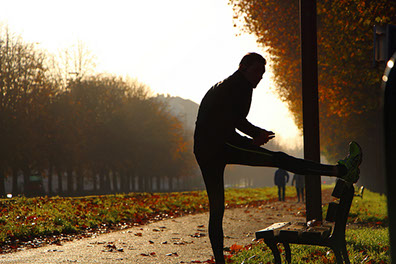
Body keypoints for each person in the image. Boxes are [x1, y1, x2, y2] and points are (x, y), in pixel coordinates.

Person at [193, 52, 362, 264]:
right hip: (221, 146)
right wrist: (255, 134)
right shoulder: (239, 86)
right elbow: (234, 119)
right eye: (256, 71)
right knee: (279, 159)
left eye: (262, 74)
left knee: (217, 208)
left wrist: (252, 137)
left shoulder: (228, 84)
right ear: (243, 67)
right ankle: (341, 170)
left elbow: (225, 119)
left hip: (206, 148)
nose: (259, 78)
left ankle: (219, 260)